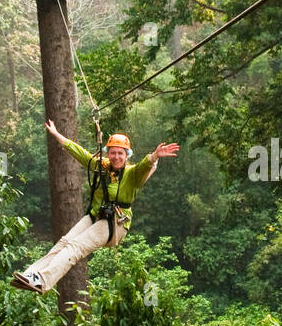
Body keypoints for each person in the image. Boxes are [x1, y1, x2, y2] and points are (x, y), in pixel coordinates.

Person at [12, 122, 180, 293]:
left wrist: (154, 156)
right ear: (108, 153)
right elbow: (80, 153)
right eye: (113, 153)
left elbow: (144, 166)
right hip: (96, 216)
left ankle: (43, 280)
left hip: (115, 223)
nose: (116, 157)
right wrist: (56, 134)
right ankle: (31, 274)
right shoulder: (103, 167)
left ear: (126, 155)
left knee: (75, 247)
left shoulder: (132, 174)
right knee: (65, 242)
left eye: (120, 153)